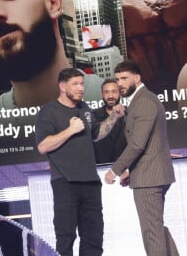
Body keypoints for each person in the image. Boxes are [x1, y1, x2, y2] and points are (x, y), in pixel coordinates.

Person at [35, 68, 125, 256]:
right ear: (62, 86)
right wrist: (70, 130)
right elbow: (43, 146)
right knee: (66, 238)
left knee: (94, 238)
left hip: (91, 183)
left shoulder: (84, 109)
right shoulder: (48, 112)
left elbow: (96, 134)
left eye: (82, 84)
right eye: (75, 84)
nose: (80, 88)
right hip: (65, 183)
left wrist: (114, 116)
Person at [105, 60, 179, 256]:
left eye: (124, 78)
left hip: (149, 178)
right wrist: (131, 170)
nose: (119, 83)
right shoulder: (142, 100)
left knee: (152, 233)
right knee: (156, 228)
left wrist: (116, 169)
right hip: (150, 174)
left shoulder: (144, 101)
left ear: (137, 78)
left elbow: (138, 144)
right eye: (117, 78)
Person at [93, 78, 126, 164]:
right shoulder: (93, 115)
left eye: (114, 91)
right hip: (101, 168)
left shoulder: (130, 114)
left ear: (120, 93)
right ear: (102, 95)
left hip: (126, 168)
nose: (110, 96)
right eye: (106, 92)